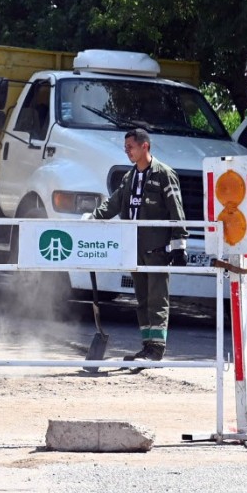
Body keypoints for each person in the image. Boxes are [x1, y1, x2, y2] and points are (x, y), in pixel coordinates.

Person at [89, 128, 187, 362]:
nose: (127, 152)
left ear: (145, 146)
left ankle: (156, 349)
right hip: (134, 250)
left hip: (157, 250)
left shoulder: (164, 174)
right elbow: (113, 204)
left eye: (130, 147)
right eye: (125, 149)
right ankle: (146, 346)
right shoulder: (129, 177)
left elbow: (176, 208)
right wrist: (91, 219)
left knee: (157, 299)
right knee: (141, 300)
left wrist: (179, 244)